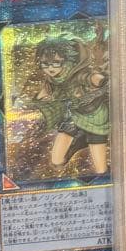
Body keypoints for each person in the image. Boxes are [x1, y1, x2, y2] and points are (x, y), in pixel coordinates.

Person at [27, 28, 110, 176]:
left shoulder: (78, 74)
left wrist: (100, 80)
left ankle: (85, 141)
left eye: (56, 63)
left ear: (66, 60)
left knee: (101, 170)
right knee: (57, 161)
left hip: (96, 118)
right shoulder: (52, 80)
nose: (50, 68)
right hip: (72, 117)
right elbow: (42, 95)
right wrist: (34, 102)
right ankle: (80, 141)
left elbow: (91, 78)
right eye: (46, 64)